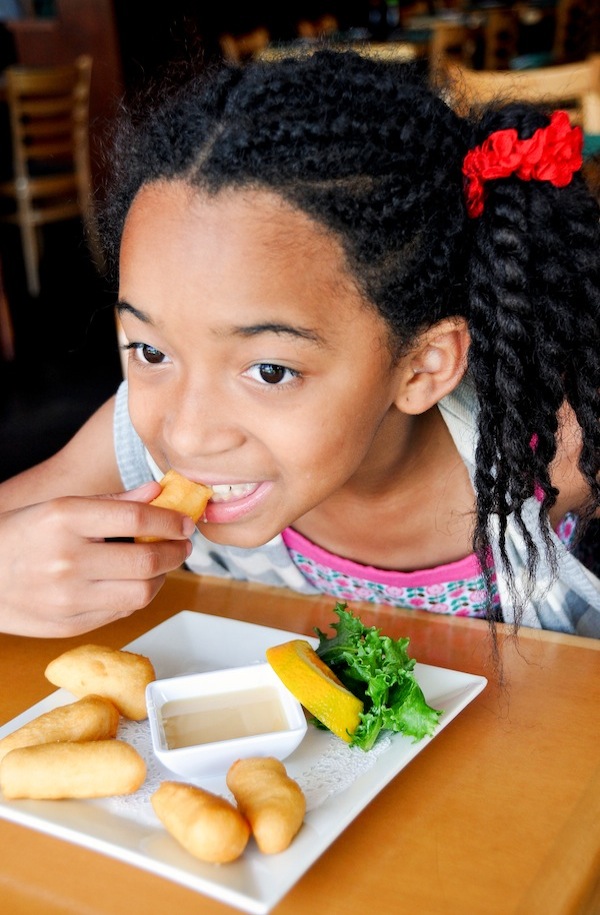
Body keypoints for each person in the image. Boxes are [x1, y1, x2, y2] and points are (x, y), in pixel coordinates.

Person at [0, 49, 598, 639]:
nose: (186, 434)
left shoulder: (561, 456)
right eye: (152, 352)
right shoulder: (147, 436)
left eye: (269, 371)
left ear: (422, 366)